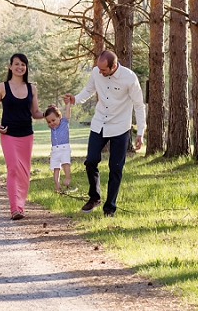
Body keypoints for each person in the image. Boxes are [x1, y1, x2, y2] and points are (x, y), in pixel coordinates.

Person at [63, 50, 146, 217]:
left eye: (103, 70)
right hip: (99, 123)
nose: (100, 72)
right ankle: (95, 197)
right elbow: (88, 90)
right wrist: (75, 99)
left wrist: (140, 132)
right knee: (91, 160)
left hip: (120, 127)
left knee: (116, 168)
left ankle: (110, 207)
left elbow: (139, 105)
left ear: (113, 66)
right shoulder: (96, 72)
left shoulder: (129, 78)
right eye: (99, 69)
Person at [0, 53, 45, 220]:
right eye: (17, 64)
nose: (20, 67)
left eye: (23, 65)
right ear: (10, 66)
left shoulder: (31, 88)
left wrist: (49, 113)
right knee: (13, 168)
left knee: (24, 172)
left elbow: (35, 113)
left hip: (26, 134)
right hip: (9, 134)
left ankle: (21, 207)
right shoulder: (2, 87)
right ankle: (14, 209)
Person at [44, 102, 77, 193]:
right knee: (56, 168)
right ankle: (57, 184)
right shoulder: (52, 127)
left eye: (53, 120)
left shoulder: (64, 122)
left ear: (59, 117)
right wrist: (52, 108)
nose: (51, 123)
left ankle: (67, 178)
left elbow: (67, 114)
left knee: (65, 163)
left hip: (64, 148)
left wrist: (68, 105)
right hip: (54, 150)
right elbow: (48, 115)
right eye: (49, 122)